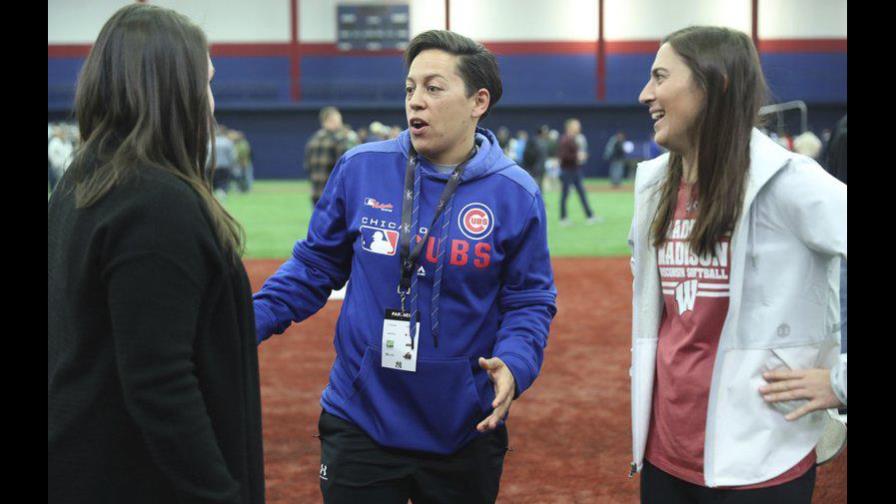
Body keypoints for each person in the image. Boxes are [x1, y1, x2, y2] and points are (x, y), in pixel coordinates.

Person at [253, 29, 556, 503]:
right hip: (361, 420)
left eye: (434, 88)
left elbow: (529, 299)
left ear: (479, 101)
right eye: (410, 88)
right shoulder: (360, 168)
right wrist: (245, 320)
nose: (416, 102)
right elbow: (314, 266)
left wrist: (517, 363)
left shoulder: (515, 193)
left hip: (464, 426)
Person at [48, 4, 265, 503]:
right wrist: (220, 494)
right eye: (204, 84)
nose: (210, 104)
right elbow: (160, 384)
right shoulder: (155, 203)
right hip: (137, 479)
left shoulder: (86, 179)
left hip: (88, 463)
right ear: (172, 90)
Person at [630, 26, 846, 503]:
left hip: (762, 460)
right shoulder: (653, 188)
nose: (646, 94)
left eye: (660, 77)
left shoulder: (789, 183)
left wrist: (841, 380)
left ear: (715, 84)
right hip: (666, 455)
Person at [305, 106, 349, 206]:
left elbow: (307, 166)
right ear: (329, 120)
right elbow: (343, 169)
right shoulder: (339, 140)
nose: (340, 124)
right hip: (333, 194)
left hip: (316, 193)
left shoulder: (313, 139)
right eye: (338, 120)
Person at [557, 118, 597, 226]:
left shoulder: (574, 139)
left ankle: (590, 216)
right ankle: (563, 218)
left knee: (582, 193)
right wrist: (577, 156)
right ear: (570, 127)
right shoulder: (565, 139)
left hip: (575, 170)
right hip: (567, 171)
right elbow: (563, 156)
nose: (579, 127)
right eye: (576, 125)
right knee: (565, 195)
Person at [522, 125, 549, 193]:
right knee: (534, 186)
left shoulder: (545, 142)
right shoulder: (534, 141)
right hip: (534, 168)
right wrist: (530, 165)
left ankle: (540, 202)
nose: (546, 134)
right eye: (545, 132)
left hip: (541, 168)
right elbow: (527, 154)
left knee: (540, 186)